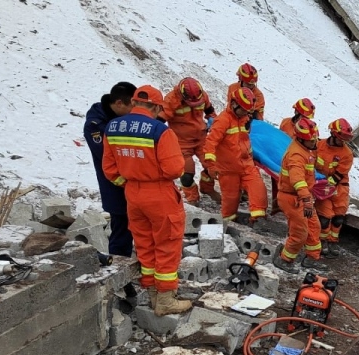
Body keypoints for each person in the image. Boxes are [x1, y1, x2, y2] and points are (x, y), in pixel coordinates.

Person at [101, 85, 192, 316]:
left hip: (133, 195)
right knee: (167, 244)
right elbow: (174, 169)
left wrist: (130, 183)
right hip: (159, 194)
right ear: (156, 107)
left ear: (133, 103)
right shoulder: (160, 131)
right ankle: (165, 300)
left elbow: (109, 169)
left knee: (144, 244)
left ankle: (152, 294)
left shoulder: (113, 127)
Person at [84, 82, 136, 257]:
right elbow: (107, 156)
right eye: (132, 106)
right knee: (121, 224)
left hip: (134, 179)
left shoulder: (124, 118)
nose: (134, 111)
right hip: (114, 182)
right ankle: (119, 263)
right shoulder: (95, 124)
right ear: (119, 103)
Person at [202, 87, 267, 224]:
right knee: (230, 199)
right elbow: (210, 143)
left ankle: (257, 219)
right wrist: (211, 165)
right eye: (243, 110)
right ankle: (229, 222)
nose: (245, 113)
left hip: (246, 165)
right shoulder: (222, 120)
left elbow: (245, 140)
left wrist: (250, 155)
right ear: (233, 103)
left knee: (258, 188)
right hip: (228, 169)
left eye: (247, 111)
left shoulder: (244, 119)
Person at [273, 117, 326, 273]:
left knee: (314, 226)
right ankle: (285, 259)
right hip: (293, 199)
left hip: (302, 198)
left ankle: (312, 258)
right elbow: (297, 181)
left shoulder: (306, 150)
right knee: (299, 233)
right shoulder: (296, 155)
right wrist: (307, 199)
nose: (314, 142)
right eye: (312, 140)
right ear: (302, 140)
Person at [160, 77, 220, 205]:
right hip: (181, 143)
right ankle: (192, 197)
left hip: (201, 138)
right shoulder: (171, 100)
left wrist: (213, 121)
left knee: (213, 166)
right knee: (187, 174)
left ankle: (207, 188)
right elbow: (159, 121)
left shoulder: (202, 96)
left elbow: (210, 111)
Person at [314, 118, 354, 258]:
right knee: (324, 217)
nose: (342, 142)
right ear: (333, 134)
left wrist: (327, 185)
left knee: (338, 218)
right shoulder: (318, 146)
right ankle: (323, 240)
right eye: (341, 139)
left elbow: (339, 174)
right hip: (322, 185)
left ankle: (333, 241)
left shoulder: (347, 154)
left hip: (339, 187)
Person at [273, 98, 317, 213]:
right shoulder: (285, 123)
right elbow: (279, 140)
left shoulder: (310, 130)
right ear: (296, 112)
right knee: (277, 180)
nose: (306, 119)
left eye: (308, 117)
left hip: (299, 162)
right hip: (283, 158)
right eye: (304, 116)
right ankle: (277, 204)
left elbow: (312, 150)